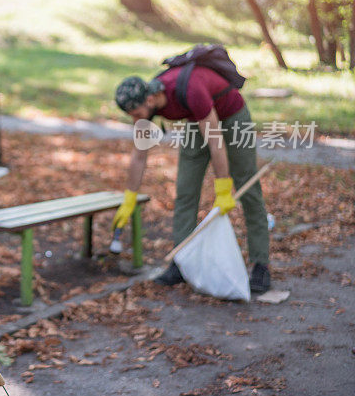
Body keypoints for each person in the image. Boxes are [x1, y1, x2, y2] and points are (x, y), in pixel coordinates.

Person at [112, 66, 270, 294]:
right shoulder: (146, 104)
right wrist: (129, 197)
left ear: (149, 98)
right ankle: (181, 261)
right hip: (198, 120)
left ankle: (260, 263)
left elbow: (216, 142)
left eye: (137, 114)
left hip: (232, 116)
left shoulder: (191, 90)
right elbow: (139, 156)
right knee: (185, 190)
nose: (137, 119)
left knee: (248, 187)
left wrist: (223, 189)